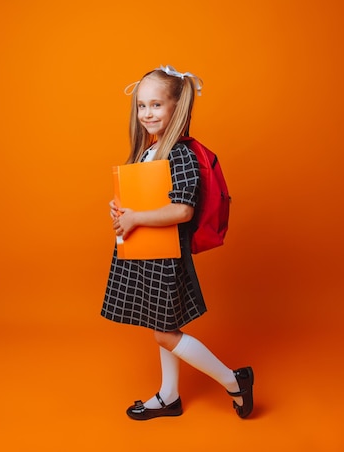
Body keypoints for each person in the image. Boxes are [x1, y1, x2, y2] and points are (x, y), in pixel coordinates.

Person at [101, 65, 254, 420]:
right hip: (146, 254)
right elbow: (145, 200)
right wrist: (123, 210)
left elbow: (182, 210)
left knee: (164, 333)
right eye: (141, 106)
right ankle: (169, 396)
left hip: (165, 258)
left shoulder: (179, 154)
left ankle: (234, 381)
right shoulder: (148, 152)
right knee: (163, 327)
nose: (147, 113)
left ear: (176, 108)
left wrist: (136, 218)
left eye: (156, 105)